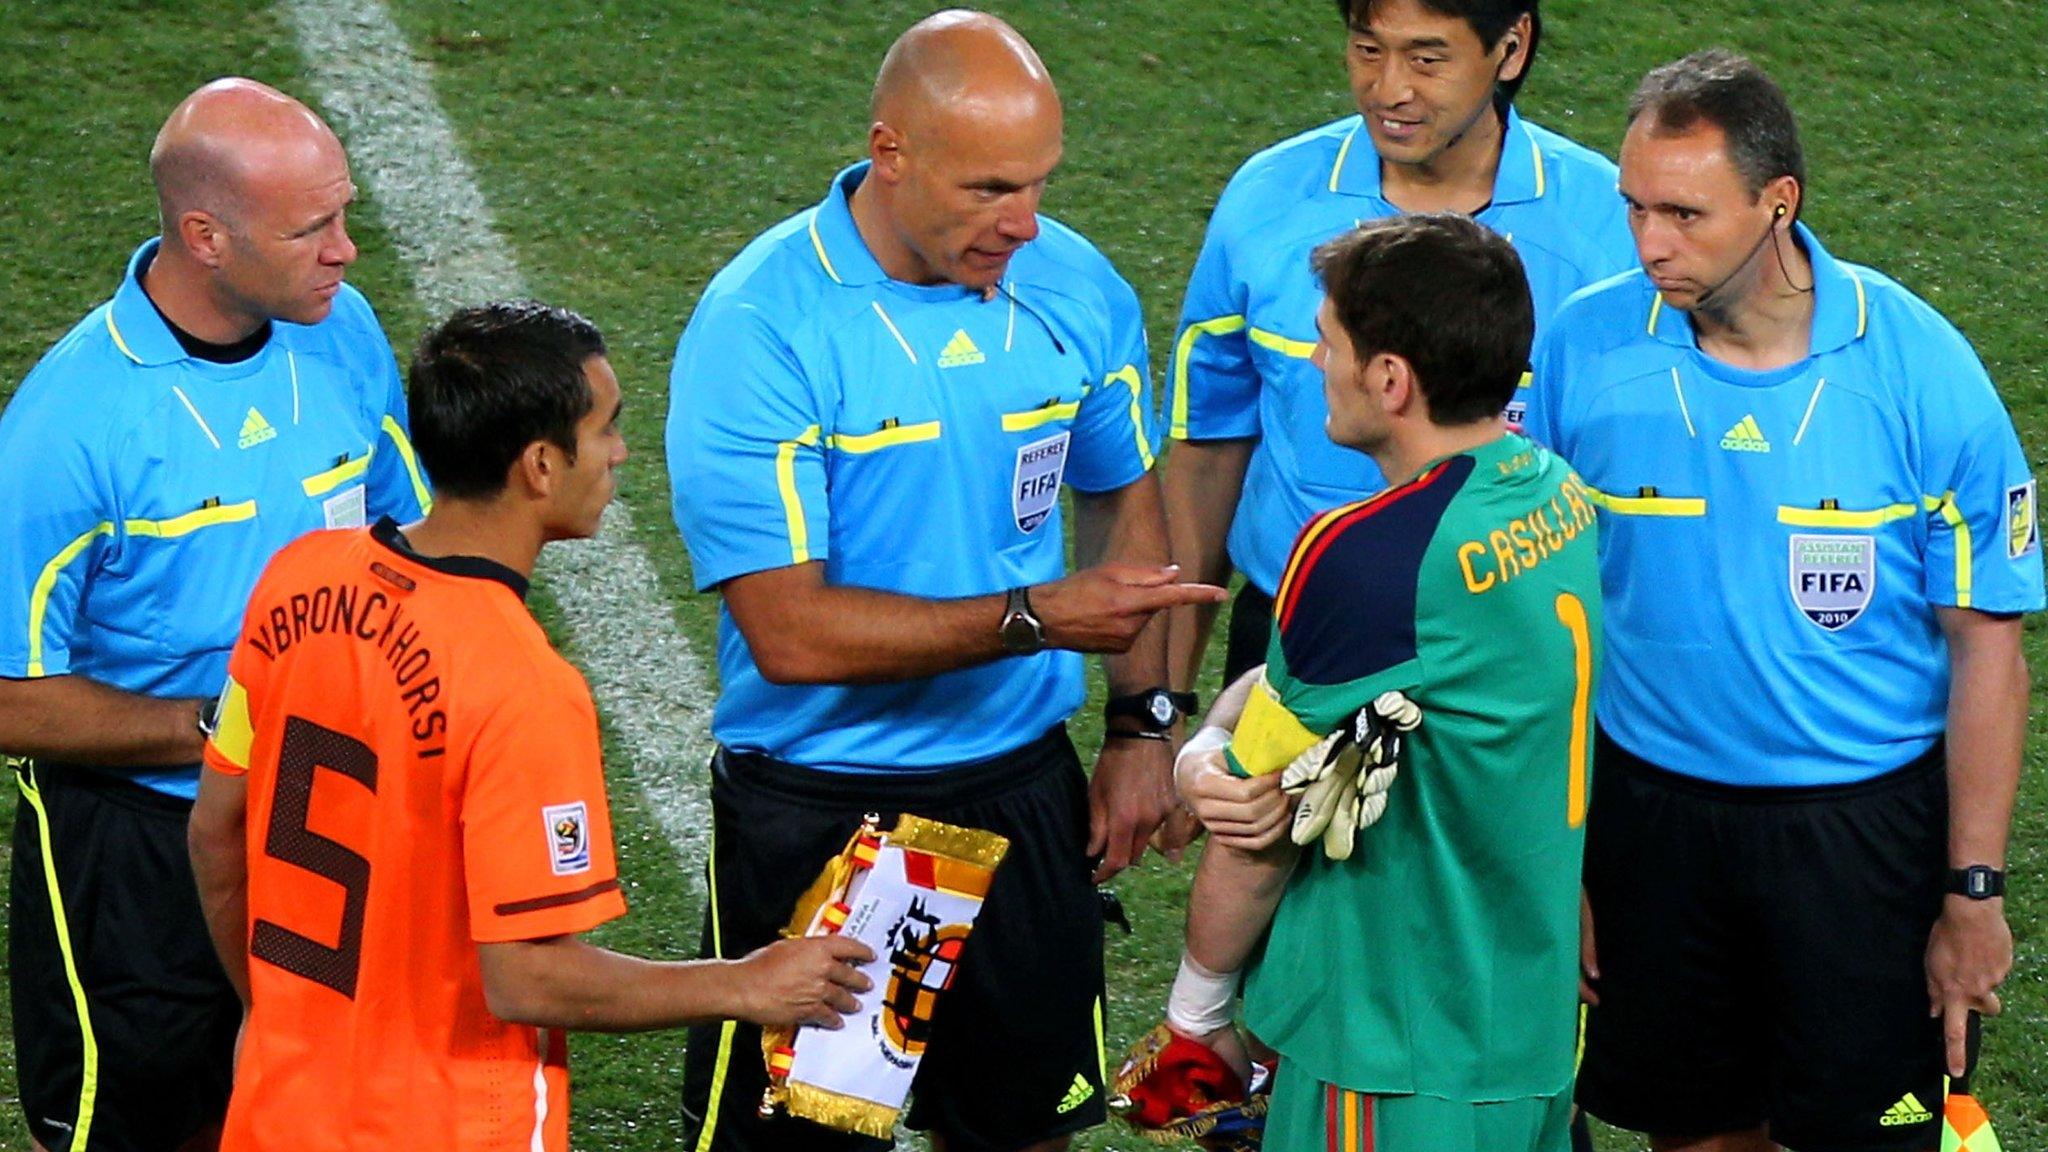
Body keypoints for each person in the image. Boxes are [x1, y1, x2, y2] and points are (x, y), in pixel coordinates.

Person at [665, 10, 1224, 1150]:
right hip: (828, 813)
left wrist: (1139, 725)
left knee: (1027, 1132)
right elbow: (791, 634)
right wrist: (1034, 619)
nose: (1022, 223)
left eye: (1036, 185)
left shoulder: (1070, 285)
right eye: (985, 191)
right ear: (889, 152)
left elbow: (1121, 495)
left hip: (1020, 794)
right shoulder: (760, 326)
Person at [185, 301, 873, 1152]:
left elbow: (216, 831)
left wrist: (274, 1011)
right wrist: (745, 985)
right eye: (606, 428)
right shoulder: (522, 688)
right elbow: (530, 978)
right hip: (447, 1125)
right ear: (541, 465)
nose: (620, 451)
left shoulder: (297, 578)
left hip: (281, 1103)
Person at [1522, 50, 2041, 1152]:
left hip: (1857, 836)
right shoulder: (1579, 347)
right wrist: (1556, 853)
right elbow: (1530, 617)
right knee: (1694, 1130)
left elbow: (1987, 645)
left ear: (1776, 204)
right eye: (1632, 207)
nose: (1647, 242)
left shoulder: (1914, 367)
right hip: (1649, 821)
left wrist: (1972, 893)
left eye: (1682, 213)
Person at [0, 78, 430, 1152]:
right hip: (138, 847)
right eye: (312, 227)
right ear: (206, 236)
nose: (347, 252)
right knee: (152, 1125)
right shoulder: (67, 428)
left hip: (331, 813)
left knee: (323, 1112)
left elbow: (403, 537)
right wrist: (215, 727)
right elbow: (10, 698)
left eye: (344, 214)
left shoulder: (343, 332)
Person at [1165, 213, 1601, 1152]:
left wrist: (1195, 1012)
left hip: (1393, 1051)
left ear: (1391, 379)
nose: (1319, 363)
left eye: (1330, 344)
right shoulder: (1555, 493)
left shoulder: (1372, 555)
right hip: (1523, 1032)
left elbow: (1253, 813)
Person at [1161, 0, 1633, 699]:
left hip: (1508, 651)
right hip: (1295, 635)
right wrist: (1155, 708)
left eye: (1426, 59)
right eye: (1367, 50)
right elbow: (1207, 448)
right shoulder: (1264, 202)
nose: (1389, 91)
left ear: (1510, 48)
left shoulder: (1610, 226)